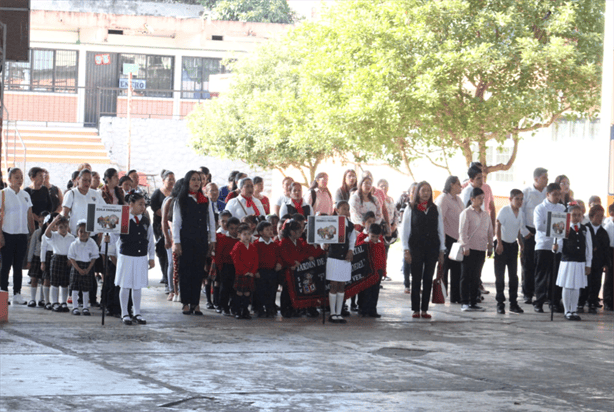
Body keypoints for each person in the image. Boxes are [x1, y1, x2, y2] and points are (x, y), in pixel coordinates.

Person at [173, 171, 216, 316]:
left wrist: (212, 240)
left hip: (201, 240)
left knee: (198, 272)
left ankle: (196, 303)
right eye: (193, 179)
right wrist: (177, 242)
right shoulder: (181, 200)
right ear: (187, 181)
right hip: (185, 240)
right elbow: (176, 223)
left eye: (199, 180)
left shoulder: (205, 200)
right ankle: (185, 303)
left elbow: (211, 221)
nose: (196, 182)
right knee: (185, 271)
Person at [108, 192, 155, 325]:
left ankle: (137, 312)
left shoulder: (146, 221)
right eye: (140, 204)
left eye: (144, 204)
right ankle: (125, 313)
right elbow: (114, 236)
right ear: (131, 205)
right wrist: (108, 242)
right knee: (125, 284)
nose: (143, 207)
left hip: (140, 256)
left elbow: (150, 239)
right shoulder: (123, 220)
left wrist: (151, 257)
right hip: (126, 256)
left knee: (137, 285)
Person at [401, 181, 445, 319]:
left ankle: (425, 309)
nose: (426, 193)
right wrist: (406, 250)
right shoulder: (410, 208)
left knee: (428, 278)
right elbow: (405, 231)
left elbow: (440, 230)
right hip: (416, 248)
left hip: (432, 248)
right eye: (423, 190)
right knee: (416, 278)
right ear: (417, 192)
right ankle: (416, 309)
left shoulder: (435, 209)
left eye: (428, 190)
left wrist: (442, 250)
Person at [0, 168, 35, 305]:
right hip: (7, 234)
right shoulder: (2, 194)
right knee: (5, 266)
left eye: (21, 177)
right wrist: (0, 235)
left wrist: (32, 233)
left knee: (18, 266)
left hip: (22, 235)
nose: (19, 180)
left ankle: (17, 293)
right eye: (16, 177)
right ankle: (3, 293)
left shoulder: (26, 194)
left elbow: (29, 215)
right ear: (9, 179)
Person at [552, 204, 591, 321]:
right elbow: (559, 245)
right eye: (574, 215)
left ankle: (574, 309)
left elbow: (589, 248)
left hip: (580, 262)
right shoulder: (563, 227)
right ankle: (567, 310)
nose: (576, 217)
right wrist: (555, 247)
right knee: (568, 286)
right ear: (568, 216)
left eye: (579, 215)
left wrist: (588, 264)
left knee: (576, 287)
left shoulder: (585, 229)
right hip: (567, 261)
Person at [533, 183, 566, 313]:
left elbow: (564, 226)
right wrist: (556, 228)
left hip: (558, 246)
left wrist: (554, 228)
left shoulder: (562, 208)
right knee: (542, 275)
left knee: (556, 275)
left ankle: (554, 301)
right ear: (548, 194)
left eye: (559, 194)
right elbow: (539, 226)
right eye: (554, 194)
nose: (557, 197)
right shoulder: (540, 208)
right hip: (543, 245)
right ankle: (539, 302)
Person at [459, 187, 493, 312]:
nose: (481, 201)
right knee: (466, 276)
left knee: (476, 276)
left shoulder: (485, 215)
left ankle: (473, 302)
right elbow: (462, 232)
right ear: (472, 199)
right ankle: (464, 302)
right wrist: (465, 247)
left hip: (481, 249)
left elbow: (490, 231)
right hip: (469, 249)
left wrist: (490, 246)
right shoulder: (466, 213)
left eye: (483, 198)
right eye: (479, 198)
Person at [519, 167, 548, 304]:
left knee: (542, 263)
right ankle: (527, 293)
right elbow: (521, 213)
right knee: (528, 263)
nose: (547, 180)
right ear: (536, 179)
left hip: (545, 232)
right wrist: (524, 232)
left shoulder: (548, 193)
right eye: (544, 178)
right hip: (529, 232)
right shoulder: (526, 192)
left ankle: (541, 292)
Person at [494, 189, 525, 314]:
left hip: (513, 246)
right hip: (502, 245)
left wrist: (521, 243)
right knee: (500, 276)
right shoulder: (505, 210)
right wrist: (499, 243)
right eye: (517, 198)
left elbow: (518, 229)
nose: (519, 201)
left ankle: (513, 303)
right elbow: (498, 224)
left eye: (521, 199)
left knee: (513, 277)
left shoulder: (520, 212)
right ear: (510, 199)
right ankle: (500, 303)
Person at [435, 176, 464, 304]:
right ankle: (441, 295)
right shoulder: (443, 199)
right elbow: (439, 220)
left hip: (458, 240)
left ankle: (456, 297)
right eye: (458, 184)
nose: (461, 186)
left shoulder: (458, 200)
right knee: (445, 268)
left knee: (457, 269)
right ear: (451, 185)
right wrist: (441, 241)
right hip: (447, 239)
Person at [326, 200, 356, 324]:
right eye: (343, 208)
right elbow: (325, 235)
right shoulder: (332, 222)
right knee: (333, 284)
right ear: (337, 210)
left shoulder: (350, 225)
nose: (346, 211)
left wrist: (351, 250)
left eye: (348, 209)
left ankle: (339, 313)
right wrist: (324, 244)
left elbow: (352, 240)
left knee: (341, 285)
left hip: (345, 258)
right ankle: (332, 313)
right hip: (333, 257)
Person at [578, 205, 611, 313]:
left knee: (596, 283)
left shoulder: (603, 232)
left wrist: (606, 263)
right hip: (586, 262)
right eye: (597, 216)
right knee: (584, 283)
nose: (600, 218)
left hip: (598, 262)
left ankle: (592, 302)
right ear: (591, 216)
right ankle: (581, 302)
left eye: (602, 216)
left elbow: (606, 249)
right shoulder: (585, 229)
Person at [68, 220, 99, 316]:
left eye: (85, 232)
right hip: (77, 266)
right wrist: (79, 269)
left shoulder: (92, 243)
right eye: (81, 231)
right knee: (75, 288)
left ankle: (85, 307)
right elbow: (71, 258)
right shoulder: (74, 244)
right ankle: (75, 307)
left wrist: (88, 269)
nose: (83, 234)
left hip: (87, 266)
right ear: (77, 233)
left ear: (89, 233)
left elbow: (94, 257)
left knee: (86, 289)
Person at [150, 170, 175, 291]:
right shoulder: (157, 193)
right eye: (169, 179)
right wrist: (165, 220)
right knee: (162, 250)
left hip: (171, 225)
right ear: (163, 180)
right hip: (159, 226)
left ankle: (169, 277)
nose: (171, 182)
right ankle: (165, 275)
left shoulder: (175, 194)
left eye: (173, 179)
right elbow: (156, 209)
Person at [44, 214, 75, 312]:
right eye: (61, 227)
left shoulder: (71, 237)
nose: (63, 229)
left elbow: (73, 250)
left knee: (65, 283)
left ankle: (63, 302)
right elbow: (46, 233)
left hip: (67, 260)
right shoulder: (54, 235)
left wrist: (70, 259)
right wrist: (54, 221)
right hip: (56, 259)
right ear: (57, 227)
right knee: (54, 283)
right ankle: (54, 302)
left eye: (65, 226)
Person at [62, 169, 106, 235]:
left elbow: (105, 209)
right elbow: (65, 215)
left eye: (89, 181)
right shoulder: (71, 194)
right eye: (84, 180)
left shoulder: (96, 194)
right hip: (75, 234)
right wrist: (67, 229)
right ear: (78, 179)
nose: (87, 183)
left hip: (92, 234)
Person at [356, 223, 387, 318]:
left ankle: (373, 310)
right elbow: (358, 249)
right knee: (366, 290)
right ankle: (363, 309)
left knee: (375, 291)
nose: (374, 238)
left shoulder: (380, 243)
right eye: (372, 236)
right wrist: (366, 242)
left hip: (378, 271)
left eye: (377, 236)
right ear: (368, 234)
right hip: (367, 271)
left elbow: (383, 257)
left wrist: (384, 271)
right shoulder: (365, 242)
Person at [230, 223, 259, 320]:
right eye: (244, 234)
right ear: (239, 235)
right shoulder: (237, 246)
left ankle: (245, 310)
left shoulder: (253, 247)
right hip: (241, 273)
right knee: (239, 292)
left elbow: (256, 261)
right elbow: (236, 261)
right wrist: (244, 271)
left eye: (248, 234)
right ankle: (237, 310)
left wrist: (252, 271)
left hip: (250, 274)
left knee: (247, 293)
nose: (247, 236)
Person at [213, 217, 240, 315]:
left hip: (237, 267)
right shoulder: (223, 239)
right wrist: (220, 267)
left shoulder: (240, 240)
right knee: (225, 288)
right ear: (227, 229)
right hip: (226, 266)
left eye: (236, 228)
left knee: (235, 288)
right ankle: (224, 306)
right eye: (232, 228)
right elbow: (219, 253)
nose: (234, 231)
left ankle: (234, 307)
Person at [255, 221, 281, 318]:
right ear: (261, 232)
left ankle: (270, 308)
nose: (270, 231)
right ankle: (259, 308)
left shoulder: (274, 244)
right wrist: (256, 270)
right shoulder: (257, 244)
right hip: (261, 271)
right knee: (260, 291)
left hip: (272, 270)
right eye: (267, 230)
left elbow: (278, 256)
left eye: (271, 229)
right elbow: (255, 258)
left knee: (272, 290)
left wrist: (279, 263)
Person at [460, 163, 496, 230]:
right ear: (471, 180)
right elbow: (464, 215)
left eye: (482, 177)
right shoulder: (467, 192)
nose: (481, 181)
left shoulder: (480, 190)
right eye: (478, 178)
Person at [25, 211, 49, 307]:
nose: (42, 223)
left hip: (46, 259)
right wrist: (29, 260)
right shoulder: (36, 233)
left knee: (44, 279)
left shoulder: (50, 233)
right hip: (36, 257)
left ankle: (42, 299)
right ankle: (32, 299)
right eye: (40, 221)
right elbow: (31, 247)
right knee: (34, 279)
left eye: (44, 221)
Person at [377, 179, 399, 247]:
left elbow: (396, 213)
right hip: (382, 228)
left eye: (385, 186)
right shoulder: (376, 199)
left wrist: (394, 226)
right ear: (377, 188)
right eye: (382, 186)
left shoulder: (391, 199)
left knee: (386, 249)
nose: (384, 188)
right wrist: (387, 227)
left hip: (392, 228)